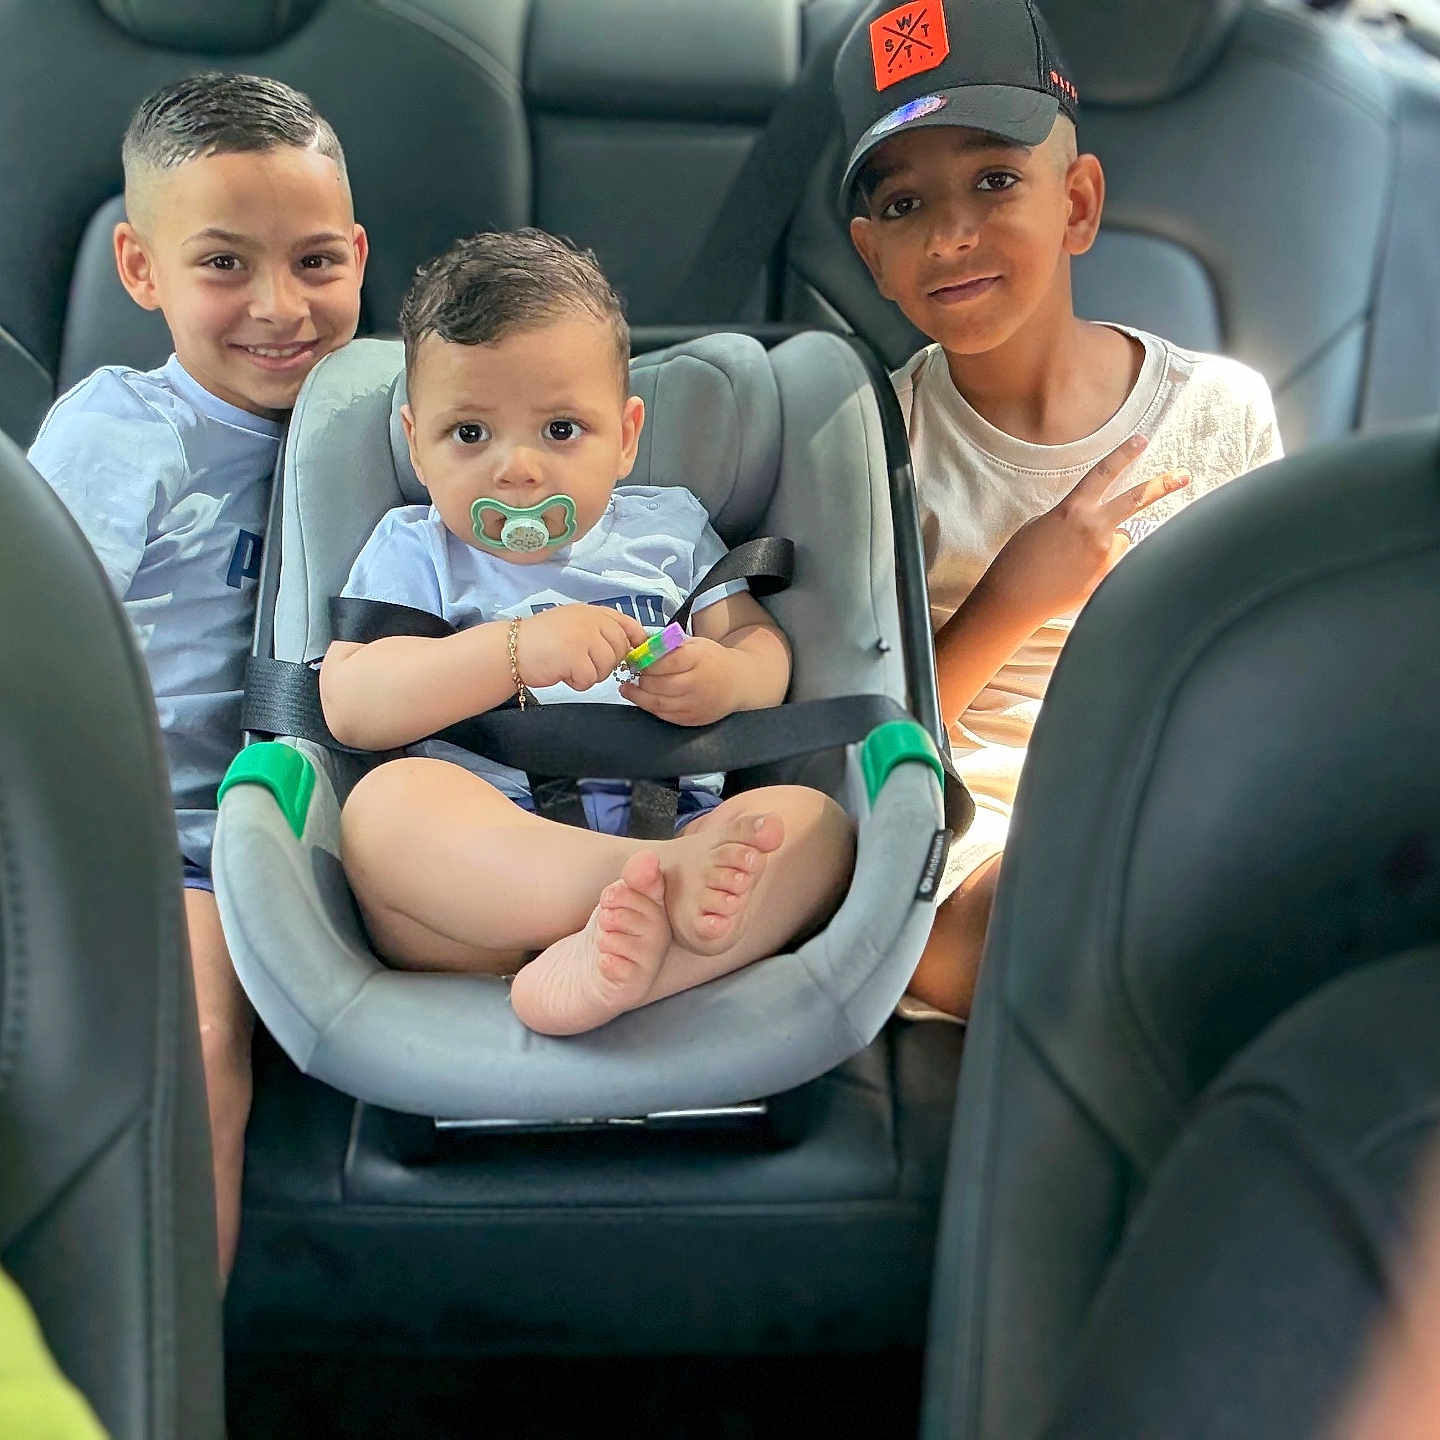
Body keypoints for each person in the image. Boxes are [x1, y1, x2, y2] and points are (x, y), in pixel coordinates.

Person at [834, 0, 1283, 1019]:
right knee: (1047, 921)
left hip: (1175, 809)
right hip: (966, 856)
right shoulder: (873, 445)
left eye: (996, 182)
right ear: (872, 255)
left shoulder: (1219, 410)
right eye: (904, 207)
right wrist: (1012, 598)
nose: (951, 235)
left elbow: (1259, 685)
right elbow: (860, 755)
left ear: (1077, 203)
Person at [319, 229, 855, 1037]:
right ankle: (649, 899)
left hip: (675, 812)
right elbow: (353, 703)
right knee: (384, 811)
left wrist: (724, 678)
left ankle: (610, 969)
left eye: (561, 431)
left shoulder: (671, 528)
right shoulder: (416, 546)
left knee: (818, 830)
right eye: (469, 434)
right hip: (485, 877)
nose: (518, 471)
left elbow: (759, 648)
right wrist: (512, 654)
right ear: (416, 445)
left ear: (627, 435)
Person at [27, 73, 368, 1278]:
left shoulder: (397, 421)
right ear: (141, 270)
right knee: (199, 1043)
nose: (281, 307)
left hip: (288, 831)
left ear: (360, 254)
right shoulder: (127, 426)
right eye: (224, 265)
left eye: (317, 262)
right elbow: (36, 635)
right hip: (145, 833)